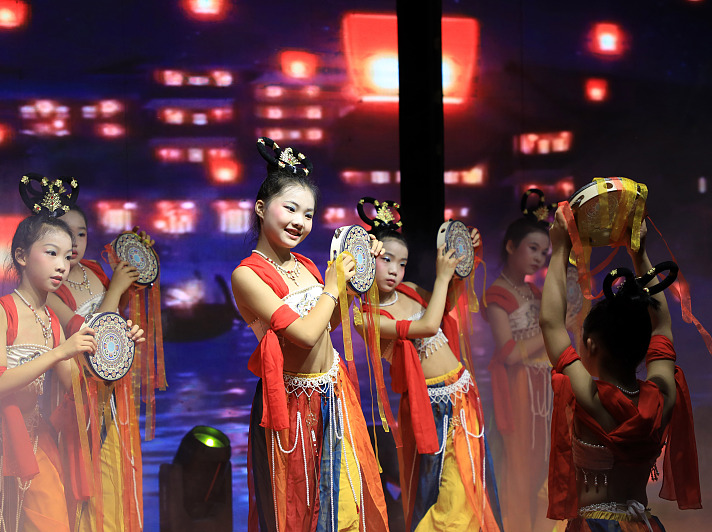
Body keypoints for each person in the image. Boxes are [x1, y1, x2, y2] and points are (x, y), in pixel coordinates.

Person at [230, 138, 389, 531]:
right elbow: (302, 334)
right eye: (290, 208)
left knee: (345, 505)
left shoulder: (305, 265)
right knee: (299, 511)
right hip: (291, 405)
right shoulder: (247, 274)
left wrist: (356, 276)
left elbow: (326, 326)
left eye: (308, 214)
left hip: (332, 393)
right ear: (261, 208)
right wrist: (333, 286)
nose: (299, 221)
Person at [540, 208, 701, 531]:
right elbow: (662, 326)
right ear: (645, 347)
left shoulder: (592, 399)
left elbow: (550, 324)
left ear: (591, 344)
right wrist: (639, 253)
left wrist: (559, 249)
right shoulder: (663, 396)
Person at [0, 213, 98, 531]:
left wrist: (116, 350)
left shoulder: (52, 321)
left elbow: (75, 387)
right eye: (51, 253)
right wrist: (60, 352)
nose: (62, 265)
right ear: (21, 256)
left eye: (67, 257)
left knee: (53, 522)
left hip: (31, 436)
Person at [362, 207, 501, 532]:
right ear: (368, 260)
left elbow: (447, 302)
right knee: (445, 494)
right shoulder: (366, 317)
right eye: (386, 259)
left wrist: (463, 256)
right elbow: (427, 325)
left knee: (470, 488)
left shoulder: (410, 289)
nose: (395, 270)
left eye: (402, 263)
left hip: (463, 393)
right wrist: (441, 276)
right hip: (431, 406)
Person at [47, 204, 144, 531]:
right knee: (92, 476)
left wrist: (134, 266)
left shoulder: (93, 269)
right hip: (80, 391)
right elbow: (93, 339)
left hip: (113, 386)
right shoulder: (51, 289)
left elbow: (118, 316)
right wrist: (115, 288)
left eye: (82, 233)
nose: (74, 242)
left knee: (118, 471)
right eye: (65, 234)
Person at [482, 212, 553, 532]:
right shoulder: (497, 294)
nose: (539, 258)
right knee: (521, 459)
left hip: (544, 384)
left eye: (544, 252)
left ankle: (543, 523)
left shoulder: (534, 292)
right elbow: (509, 353)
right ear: (511, 246)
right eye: (533, 248)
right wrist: (552, 330)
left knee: (544, 457)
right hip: (519, 385)